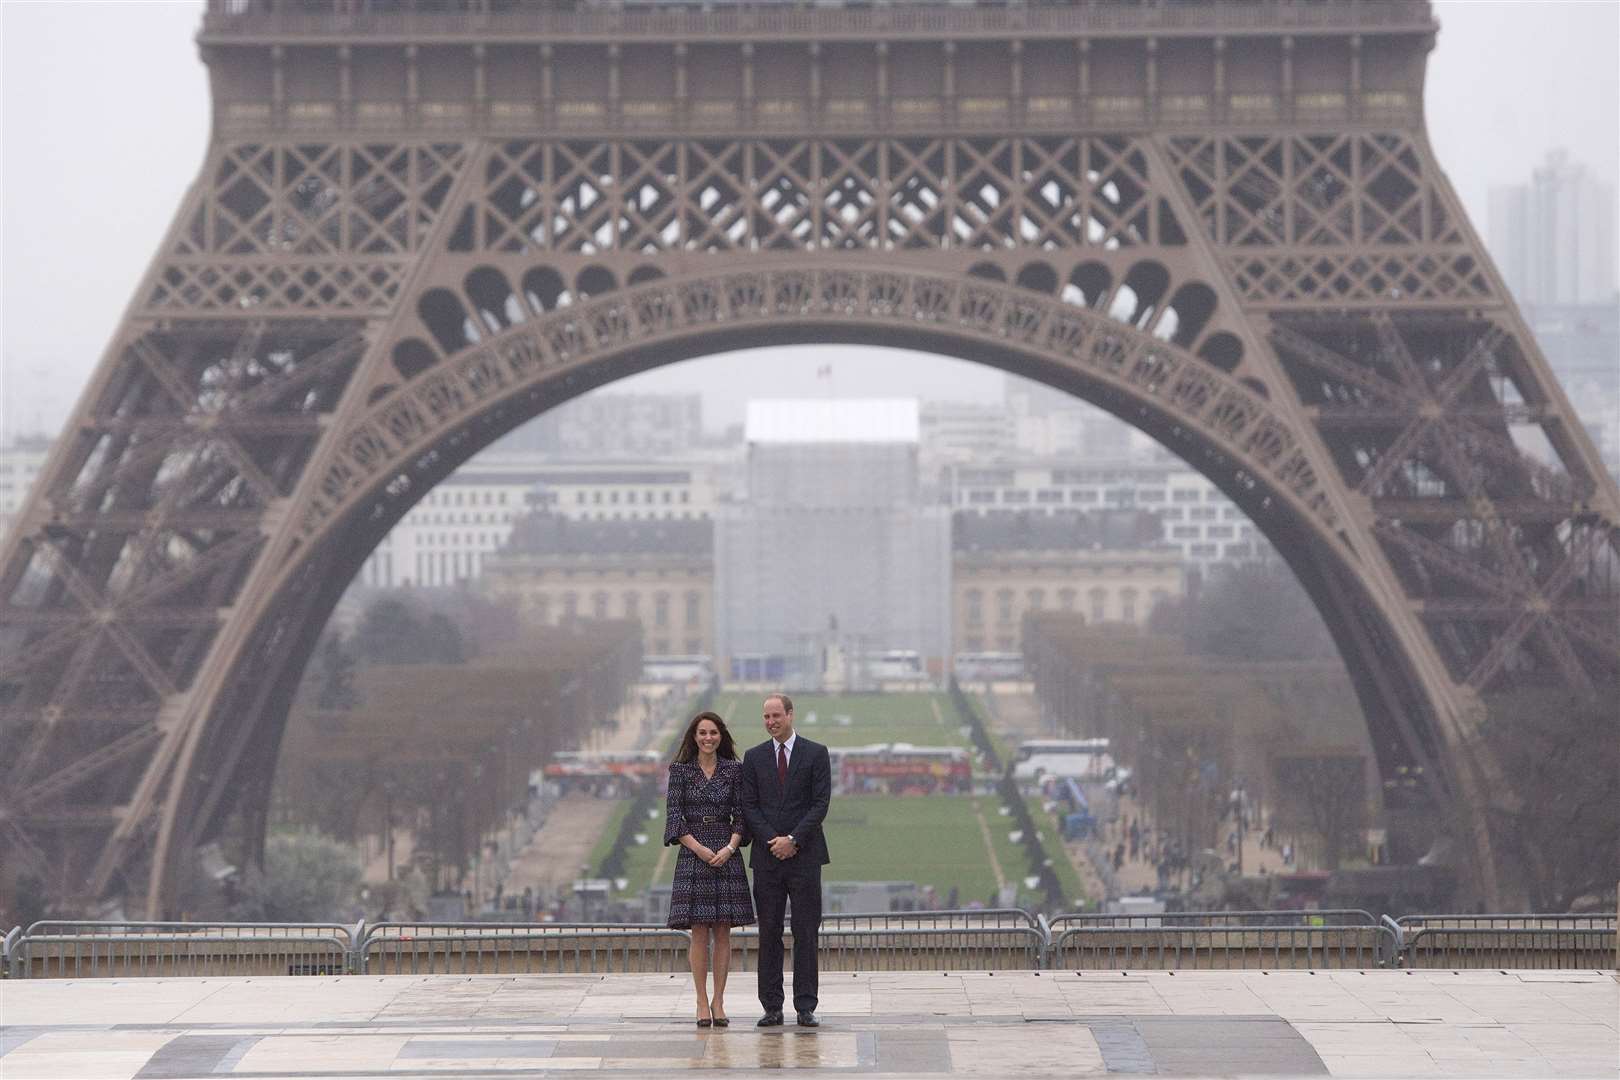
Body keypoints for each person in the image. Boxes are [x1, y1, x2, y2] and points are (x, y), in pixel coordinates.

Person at [739, 692, 832, 1029]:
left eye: (776, 716)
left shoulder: (816, 753)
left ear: (791, 715)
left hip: (805, 856)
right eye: (766, 717)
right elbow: (749, 805)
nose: (770, 722)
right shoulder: (753, 758)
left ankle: (805, 1006)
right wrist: (773, 841)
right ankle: (772, 1007)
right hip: (767, 859)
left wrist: (793, 839)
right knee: (769, 934)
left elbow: (820, 804)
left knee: (806, 932)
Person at [663, 710, 754, 1027]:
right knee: (699, 932)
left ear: (721, 736)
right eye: (702, 733)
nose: (708, 738)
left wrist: (729, 848)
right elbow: (674, 818)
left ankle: (719, 1001)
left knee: (723, 932)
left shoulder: (734, 770)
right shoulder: (679, 771)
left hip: (726, 851)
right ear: (694, 737)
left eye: (713, 733)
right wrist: (700, 849)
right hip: (693, 852)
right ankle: (701, 1001)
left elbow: (743, 816)